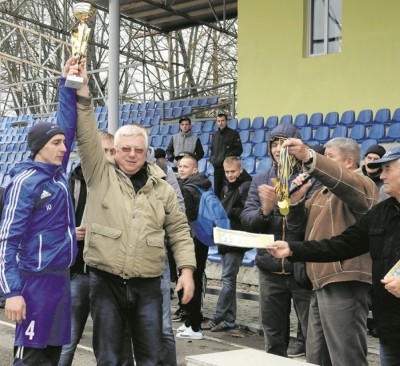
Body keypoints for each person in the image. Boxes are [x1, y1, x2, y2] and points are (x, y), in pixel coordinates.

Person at [64, 61, 196, 366]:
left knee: (150, 358)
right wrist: (83, 94)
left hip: (148, 284)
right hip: (106, 282)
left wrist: (187, 270)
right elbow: (85, 136)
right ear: (116, 150)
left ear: (147, 151)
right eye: (125, 149)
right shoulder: (99, 174)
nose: (132, 154)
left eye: (139, 149)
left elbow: (178, 231)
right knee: (111, 358)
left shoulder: (162, 187)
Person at [268, 145, 400, 366]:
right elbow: (341, 244)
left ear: (348, 162)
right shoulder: (382, 212)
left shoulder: (362, 186)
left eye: (388, 168)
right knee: (317, 357)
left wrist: (311, 158)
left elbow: (344, 182)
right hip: (388, 321)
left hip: (343, 282)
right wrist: (293, 248)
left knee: (345, 358)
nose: (382, 175)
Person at [0, 57, 78, 365]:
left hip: (60, 282)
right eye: (57, 143)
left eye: (63, 143)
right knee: (31, 360)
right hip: (33, 285)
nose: (63, 147)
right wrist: (12, 292)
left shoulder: (56, 177)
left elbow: (68, 124)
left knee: (51, 359)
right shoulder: (25, 182)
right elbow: (7, 240)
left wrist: (68, 84)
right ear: (40, 146)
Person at [240, 124, 320, 357]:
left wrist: (293, 202)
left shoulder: (310, 177)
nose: (278, 150)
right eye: (274, 144)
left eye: (284, 144)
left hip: (302, 267)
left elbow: (312, 222)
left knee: (313, 335)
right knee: (273, 338)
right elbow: (247, 220)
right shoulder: (261, 178)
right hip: (269, 268)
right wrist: (265, 210)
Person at [58, 131, 134, 366]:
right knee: (67, 341)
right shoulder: (71, 181)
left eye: (112, 151)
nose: (109, 156)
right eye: (103, 151)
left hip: (112, 278)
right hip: (79, 273)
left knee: (114, 344)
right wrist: (72, 235)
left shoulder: (127, 182)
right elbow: (51, 228)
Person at [201, 156, 252, 332]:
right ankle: (229, 320)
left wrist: (232, 213)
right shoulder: (225, 186)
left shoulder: (245, 186)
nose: (230, 175)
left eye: (233, 172)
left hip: (237, 239)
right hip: (226, 237)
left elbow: (248, 213)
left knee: (228, 280)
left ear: (240, 170)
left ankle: (219, 317)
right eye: (227, 172)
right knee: (228, 280)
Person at [175, 154, 212, 340]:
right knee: (194, 279)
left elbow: (184, 217)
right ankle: (190, 321)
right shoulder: (202, 184)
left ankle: (195, 325)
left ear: (195, 169)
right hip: (201, 238)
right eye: (180, 166)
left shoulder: (188, 189)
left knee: (193, 281)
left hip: (193, 239)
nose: (181, 169)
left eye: (186, 166)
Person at [210, 113, 243, 198]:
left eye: (222, 120)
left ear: (226, 121)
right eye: (218, 121)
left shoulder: (233, 134)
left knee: (227, 191)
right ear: (216, 122)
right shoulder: (214, 135)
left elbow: (239, 149)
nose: (220, 123)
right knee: (217, 191)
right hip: (217, 168)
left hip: (228, 168)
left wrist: (227, 157)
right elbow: (212, 149)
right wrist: (212, 159)